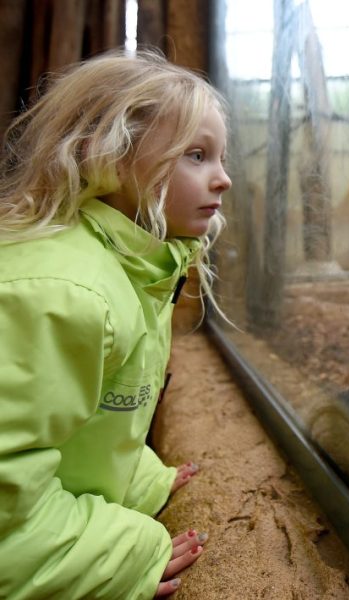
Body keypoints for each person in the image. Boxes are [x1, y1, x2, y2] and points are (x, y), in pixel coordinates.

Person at [0, 49, 232, 598]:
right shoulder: (62, 296)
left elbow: (90, 424)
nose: (222, 179)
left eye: (221, 157)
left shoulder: (135, 267)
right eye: (196, 155)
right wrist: (124, 555)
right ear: (107, 156)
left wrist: (142, 480)